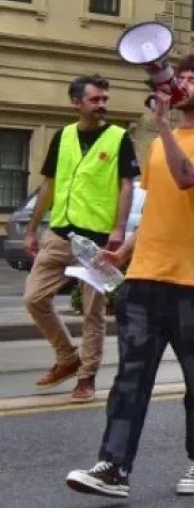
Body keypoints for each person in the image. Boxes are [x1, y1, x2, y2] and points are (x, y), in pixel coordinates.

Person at [65, 56, 194, 499]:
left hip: (192, 282)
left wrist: (160, 124)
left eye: (193, 79)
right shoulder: (163, 141)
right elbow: (157, 206)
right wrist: (124, 250)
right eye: (181, 76)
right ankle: (114, 468)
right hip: (142, 279)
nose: (182, 83)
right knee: (130, 378)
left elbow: (185, 180)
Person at [26, 74, 138, 402]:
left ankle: (86, 377)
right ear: (77, 103)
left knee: (93, 312)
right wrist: (33, 229)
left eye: (105, 98)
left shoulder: (118, 137)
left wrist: (118, 230)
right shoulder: (62, 137)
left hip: (97, 243)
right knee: (34, 299)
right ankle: (67, 357)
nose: (103, 104)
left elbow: (127, 185)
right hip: (59, 234)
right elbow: (48, 185)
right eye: (95, 99)